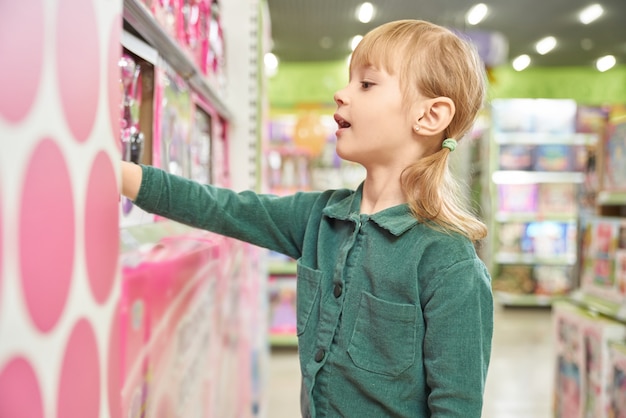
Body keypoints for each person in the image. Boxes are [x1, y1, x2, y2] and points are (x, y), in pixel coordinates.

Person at [121, 19, 493, 418]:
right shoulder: (319, 218)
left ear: (430, 116)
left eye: (366, 84)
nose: (340, 94)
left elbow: (457, 406)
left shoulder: (448, 262)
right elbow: (222, 207)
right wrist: (119, 173)